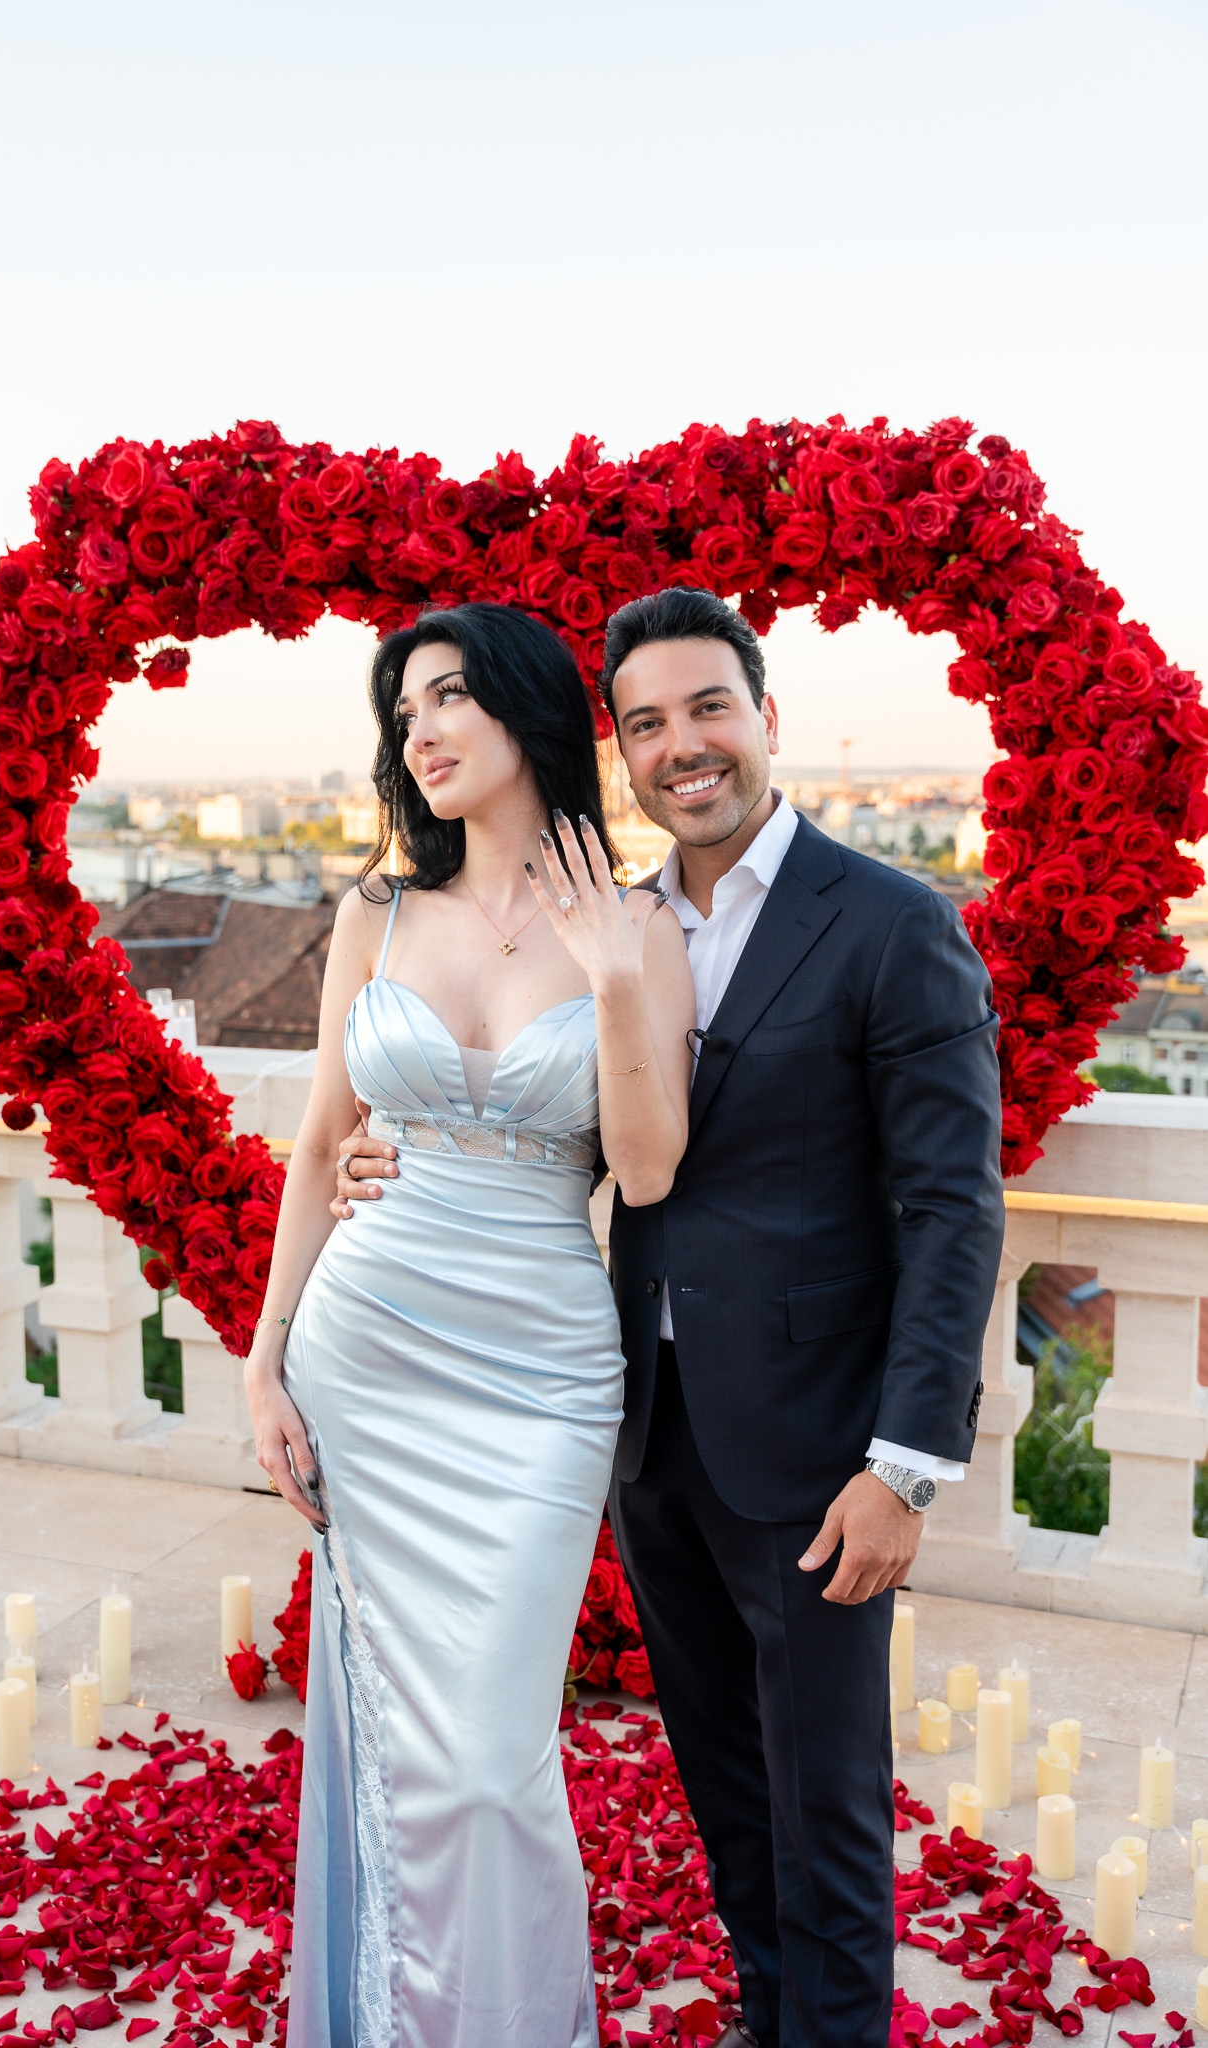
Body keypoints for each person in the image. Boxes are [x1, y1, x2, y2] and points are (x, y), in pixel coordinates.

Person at [336, 586, 1006, 2048]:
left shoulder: (892, 925)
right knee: (726, 1793)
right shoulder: (616, 917)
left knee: (823, 1805)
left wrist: (903, 1467)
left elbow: (951, 1211)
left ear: (764, 717)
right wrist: (378, 1152)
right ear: (617, 753)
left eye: (708, 708)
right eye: (644, 723)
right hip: (644, 1431)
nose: (680, 745)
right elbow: (576, 1132)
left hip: (820, 1449)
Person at [244, 600, 694, 2048]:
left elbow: (643, 1170)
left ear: (521, 711)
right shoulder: (371, 914)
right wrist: (264, 1362)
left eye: (444, 699)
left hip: (541, 1374)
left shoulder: (639, 924)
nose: (419, 733)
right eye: (401, 715)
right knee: (398, 1739)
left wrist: (617, 987)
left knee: (493, 1756)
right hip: (368, 1353)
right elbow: (323, 1144)